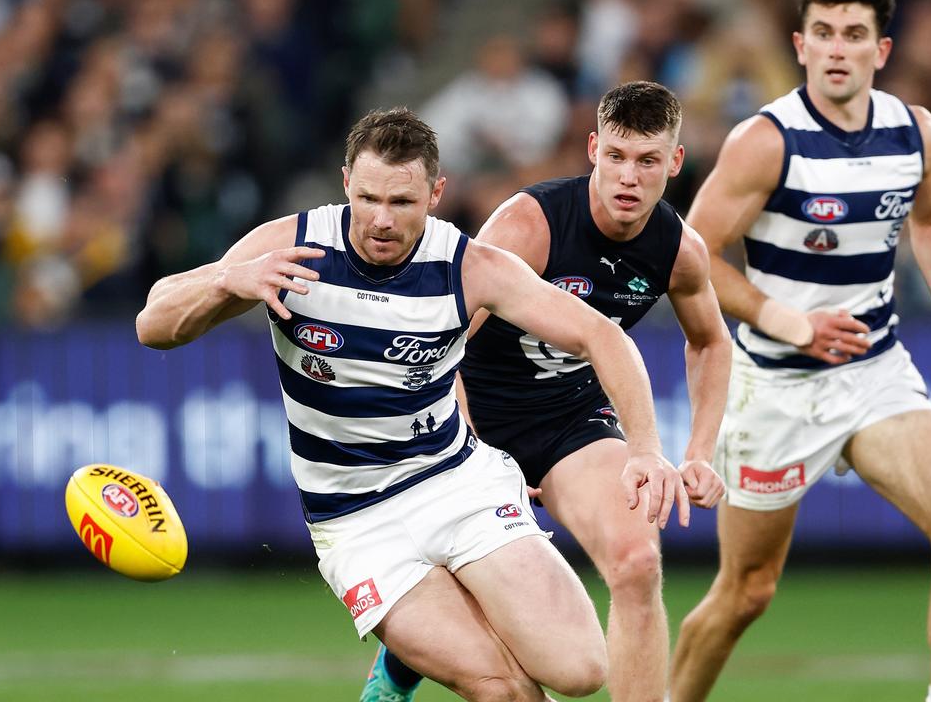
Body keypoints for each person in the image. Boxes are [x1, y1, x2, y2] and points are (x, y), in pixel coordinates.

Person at [136, 108, 691, 702]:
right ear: (345, 180)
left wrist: (647, 449)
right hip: (355, 518)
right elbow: (154, 324)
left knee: (581, 671)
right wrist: (229, 281)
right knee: (502, 689)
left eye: (402, 203)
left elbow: (603, 336)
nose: (380, 220)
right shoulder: (293, 247)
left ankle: (414, 648)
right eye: (368, 197)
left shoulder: (468, 267)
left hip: (456, 485)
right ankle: (408, 658)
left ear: (436, 193)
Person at [667, 0, 931, 702]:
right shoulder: (766, 141)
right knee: (747, 591)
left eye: (853, 35)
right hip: (778, 386)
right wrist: (790, 322)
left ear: (881, 51)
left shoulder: (916, 132)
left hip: (876, 373)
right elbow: (689, 256)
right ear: (800, 46)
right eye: (824, 33)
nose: (837, 49)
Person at [365, 81, 732, 702]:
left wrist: (698, 450)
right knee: (492, 603)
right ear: (592, 149)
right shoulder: (528, 224)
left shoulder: (678, 249)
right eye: (615, 156)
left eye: (647, 161)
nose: (628, 177)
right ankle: (403, 664)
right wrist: (468, 448)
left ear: (674, 164)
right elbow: (439, 344)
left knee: (639, 564)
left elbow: (712, 343)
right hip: (472, 416)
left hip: (570, 420)